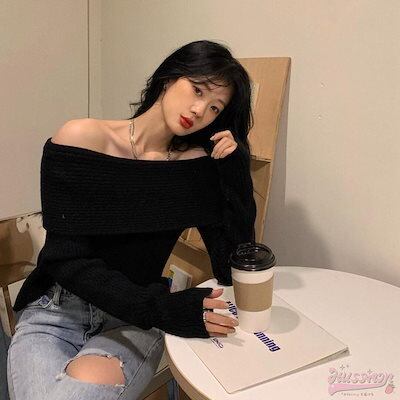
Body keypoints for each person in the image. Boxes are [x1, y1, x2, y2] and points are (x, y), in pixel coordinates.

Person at [7, 40, 256, 400]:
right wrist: (165, 310)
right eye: (197, 89)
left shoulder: (195, 168)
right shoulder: (80, 139)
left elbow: (231, 264)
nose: (200, 110)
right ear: (170, 77)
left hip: (130, 323)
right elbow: (65, 260)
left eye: (215, 107)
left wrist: (236, 171)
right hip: (57, 312)